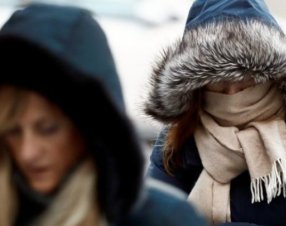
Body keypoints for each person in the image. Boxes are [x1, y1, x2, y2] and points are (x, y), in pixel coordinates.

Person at [145, 0, 286, 225]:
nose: (233, 90)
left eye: (247, 76)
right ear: (197, 83)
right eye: (217, 79)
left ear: (271, 70)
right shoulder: (181, 133)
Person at [0, 3, 206, 226]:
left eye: (48, 129)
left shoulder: (162, 220)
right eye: (13, 131)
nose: (27, 152)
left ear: (90, 125)